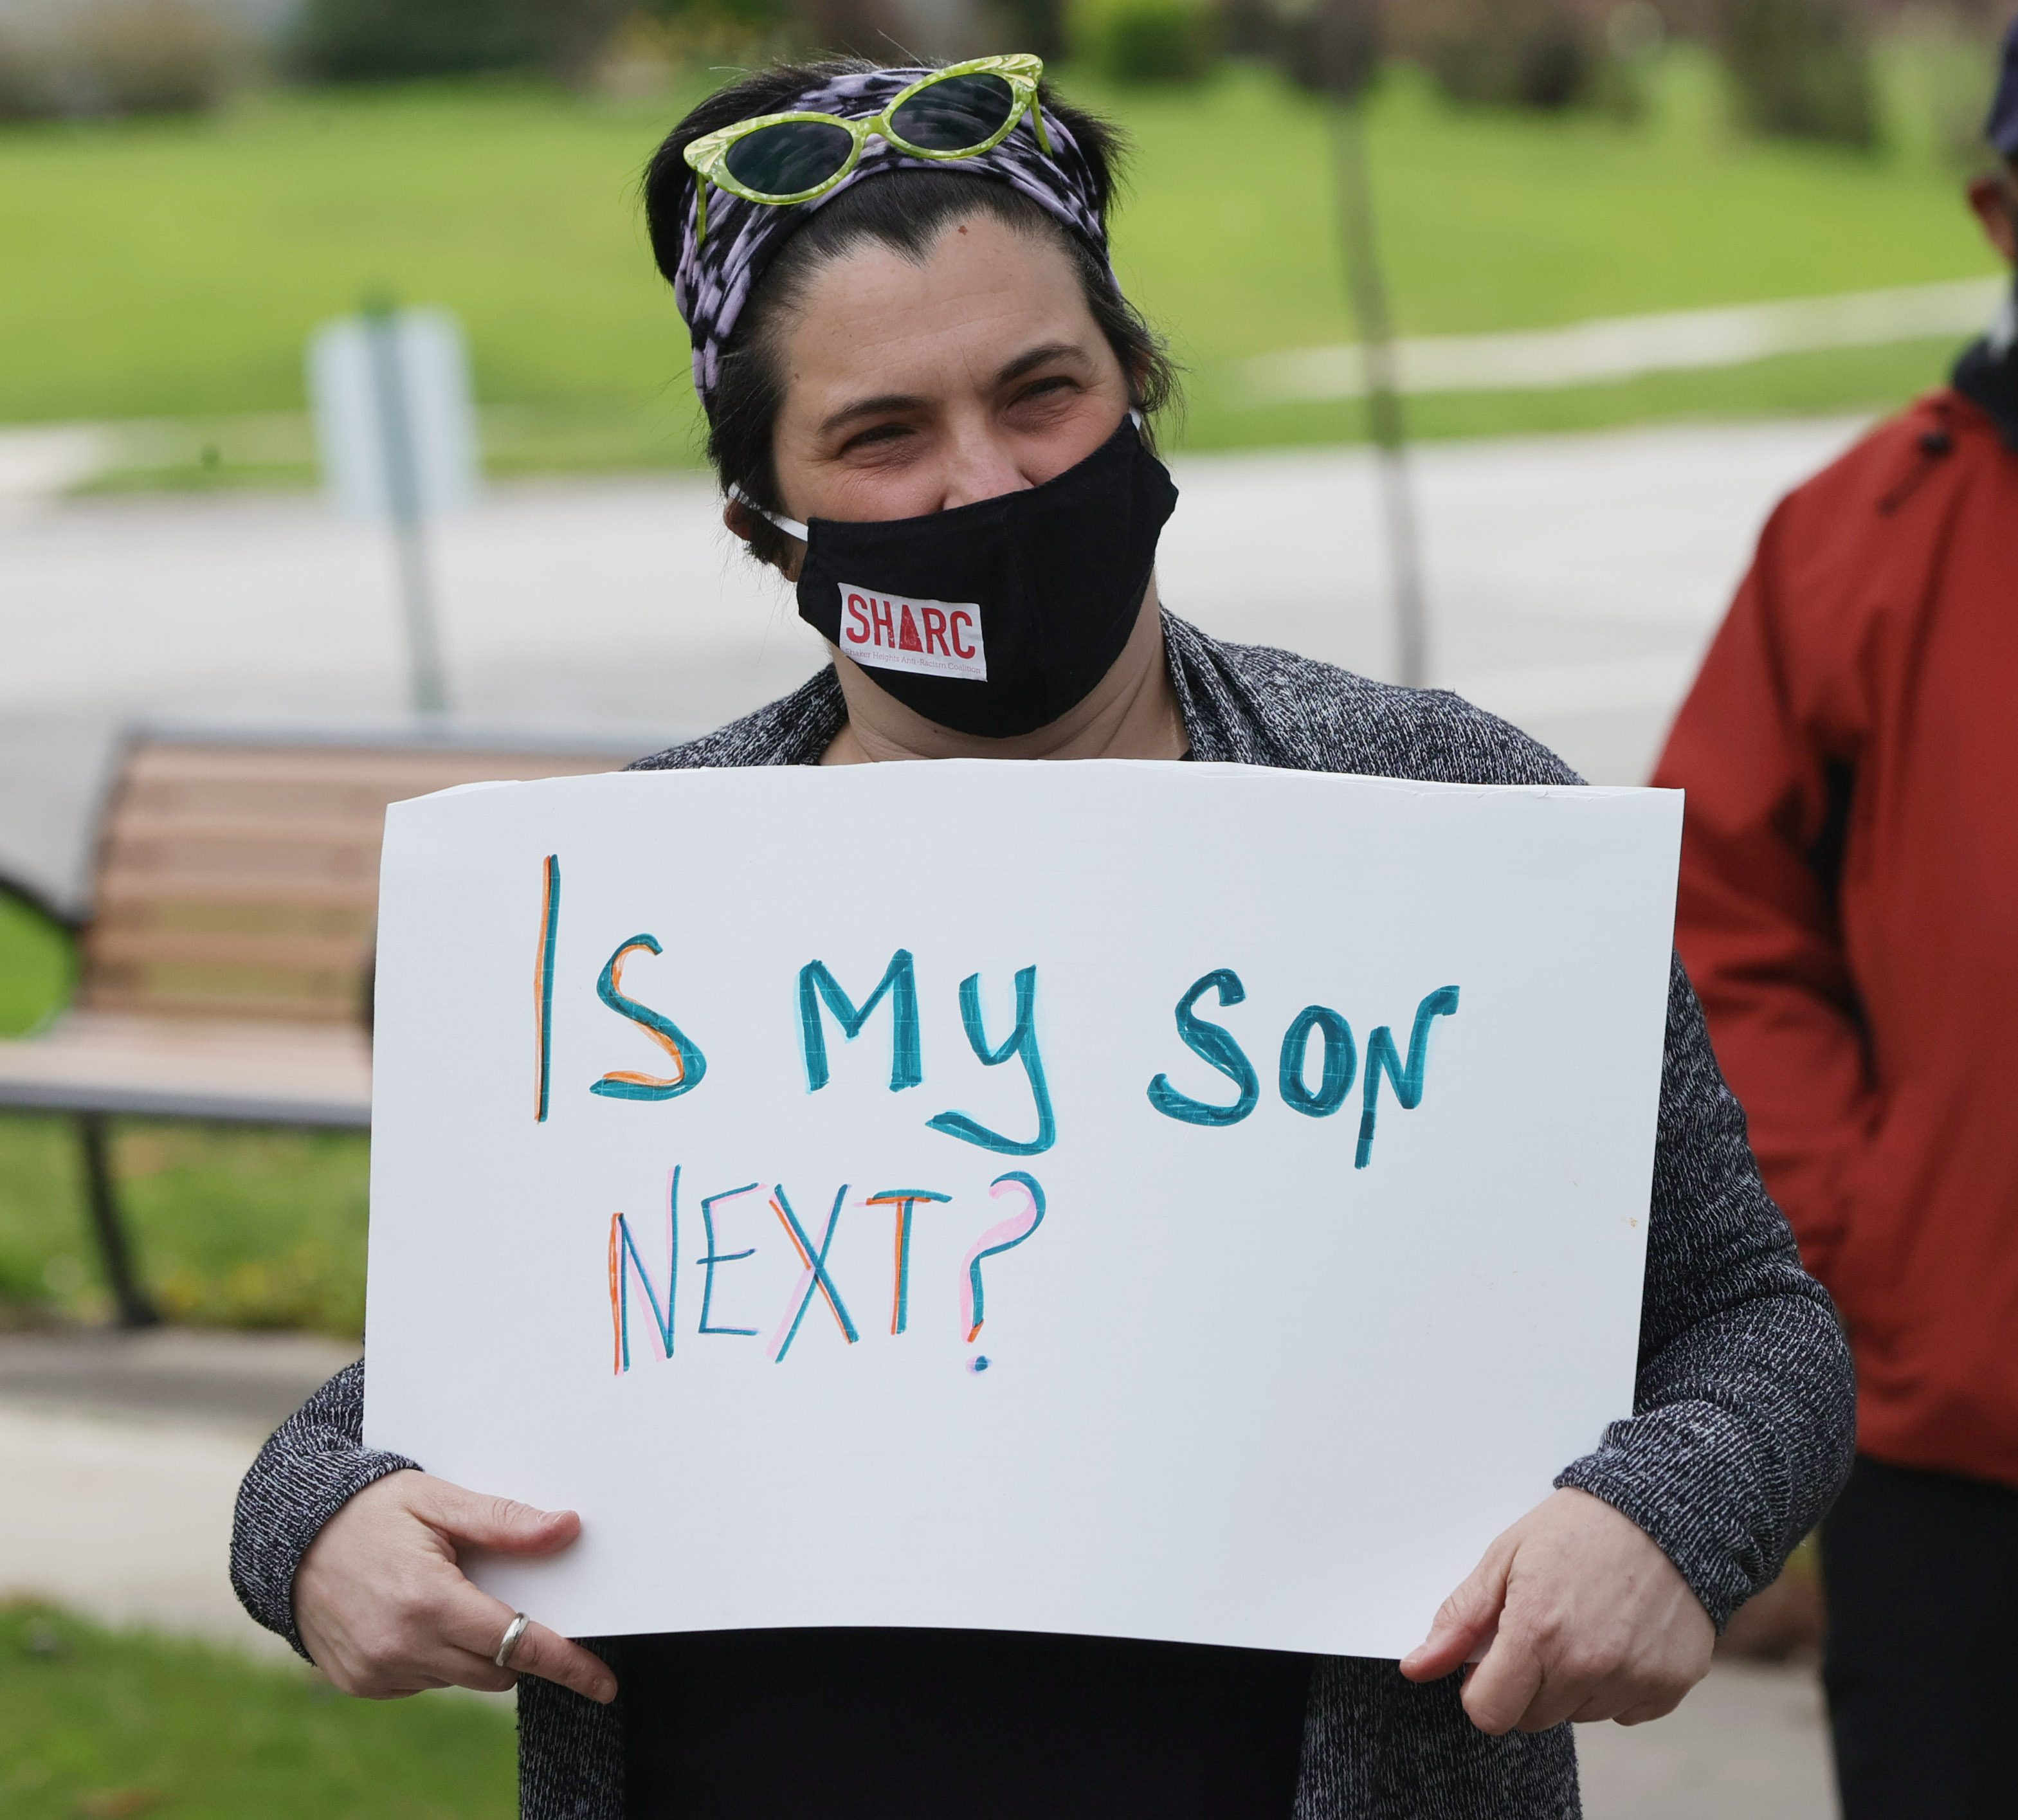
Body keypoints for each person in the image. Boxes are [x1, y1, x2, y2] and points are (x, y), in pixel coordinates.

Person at [233, 55, 1853, 1819]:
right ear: (761, 521)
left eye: (1041, 394)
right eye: (881, 437)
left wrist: (1660, 1519)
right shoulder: (637, 906)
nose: (982, 483)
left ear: (1135, 389)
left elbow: (1753, 1326)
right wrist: (313, 1530)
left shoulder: (1446, 816)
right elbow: (454, 1381)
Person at [1651, 25, 2018, 1820]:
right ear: (2000, 215)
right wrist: (1870, 1238)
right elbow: (1709, 929)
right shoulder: (1857, 538)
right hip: (1962, 1445)